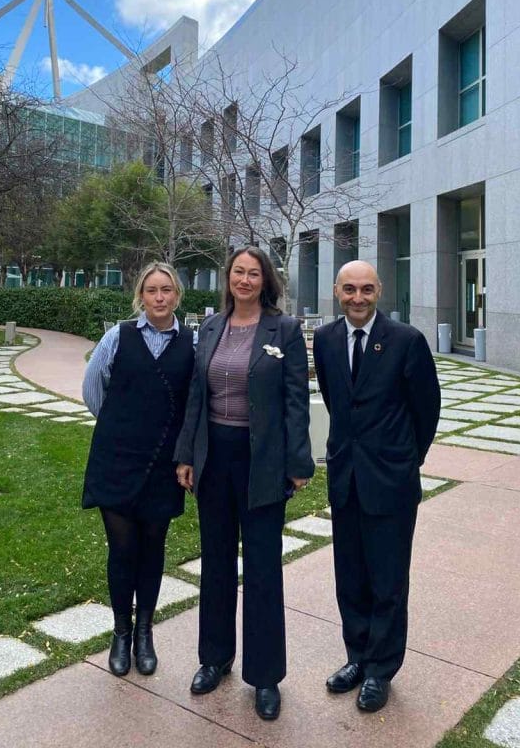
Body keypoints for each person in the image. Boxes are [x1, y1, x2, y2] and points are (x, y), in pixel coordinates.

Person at [175, 247, 314, 721]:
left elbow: (297, 400)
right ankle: (214, 658)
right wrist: (186, 455)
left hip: (264, 465)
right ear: (228, 277)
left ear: (265, 280)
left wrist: (298, 464)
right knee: (215, 563)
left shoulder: (285, 330)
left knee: (261, 569)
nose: (245, 280)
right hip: (214, 459)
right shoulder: (210, 327)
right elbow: (196, 394)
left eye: (254, 273)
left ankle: (266, 676)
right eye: (238, 271)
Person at [312, 260, 440, 712]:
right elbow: (334, 397)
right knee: (350, 578)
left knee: (387, 581)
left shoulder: (407, 341)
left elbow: (427, 409)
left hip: (391, 482)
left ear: (379, 290)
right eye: (349, 289)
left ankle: (381, 670)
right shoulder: (326, 339)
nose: (358, 298)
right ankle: (357, 657)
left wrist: (406, 459)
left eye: (366, 289)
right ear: (337, 291)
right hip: (346, 477)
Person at [82, 262, 195, 679]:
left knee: (152, 550)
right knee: (122, 550)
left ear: (177, 295)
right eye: (152, 290)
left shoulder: (192, 343)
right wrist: (121, 425)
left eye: (167, 289)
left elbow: (193, 400)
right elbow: (93, 390)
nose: (160, 297)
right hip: (116, 458)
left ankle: (146, 632)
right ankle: (121, 634)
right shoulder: (118, 336)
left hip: (164, 462)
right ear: (141, 296)